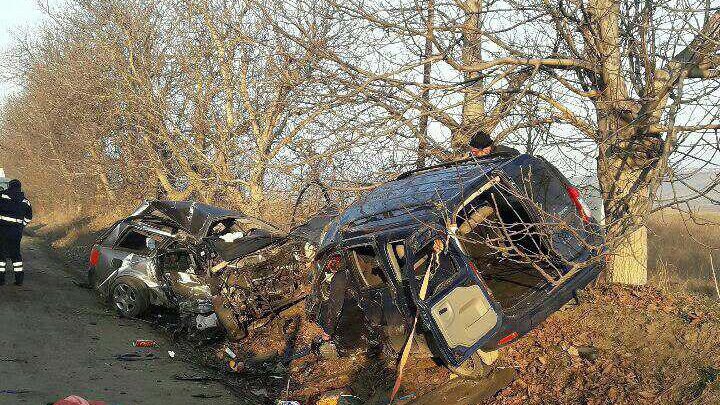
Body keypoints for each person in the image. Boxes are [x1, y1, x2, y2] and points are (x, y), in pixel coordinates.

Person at [0, 180, 32, 286]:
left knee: (1, 255)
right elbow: (29, 217)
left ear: (9, 186)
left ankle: (1, 280)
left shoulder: (2, 196)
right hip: (15, 232)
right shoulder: (25, 201)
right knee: (16, 255)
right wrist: (21, 225)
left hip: (2, 230)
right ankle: (19, 280)